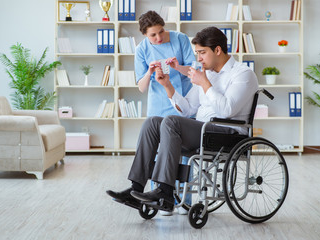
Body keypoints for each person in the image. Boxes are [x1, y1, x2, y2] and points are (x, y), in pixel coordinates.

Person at [106, 26, 258, 212]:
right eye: (197, 53)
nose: (198, 58)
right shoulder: (208, 74)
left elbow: (226, 110)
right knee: (153, 122)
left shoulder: (243, 73)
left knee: (171, 121)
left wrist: (204, 84)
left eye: (202, 53)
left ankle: (164, 191)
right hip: (204, 130)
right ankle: (135, 189)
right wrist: (168, 86)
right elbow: (187, 109)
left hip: (227, 134)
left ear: (217, 50)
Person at [134, 10, 194, 215]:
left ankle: (185, 200)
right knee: (158, 153)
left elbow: (193, 72)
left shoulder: (180, 39)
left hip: (182, 103)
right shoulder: (142, 49)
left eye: (161, 31)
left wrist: (177, 67)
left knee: (185, 154)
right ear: (144, 35)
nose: (159, 38)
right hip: (157, 106)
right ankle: (160, 198)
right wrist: (149, 72)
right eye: (153, 35)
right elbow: (141, 87)